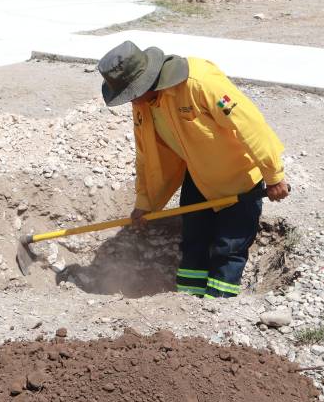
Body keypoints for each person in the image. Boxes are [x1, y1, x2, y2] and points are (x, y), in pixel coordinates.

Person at [97, 41, 289, 299]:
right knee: (194, 243)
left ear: (145, 81)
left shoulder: (199, 82)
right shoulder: (143, 106)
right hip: (198, 177)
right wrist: (146, 202)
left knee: (228, 247)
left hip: (239, 178)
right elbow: (147, 156)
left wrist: (273, 174)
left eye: (131, 93)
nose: (129, 100)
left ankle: (218, 306)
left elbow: (249, 124)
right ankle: (186, 304)